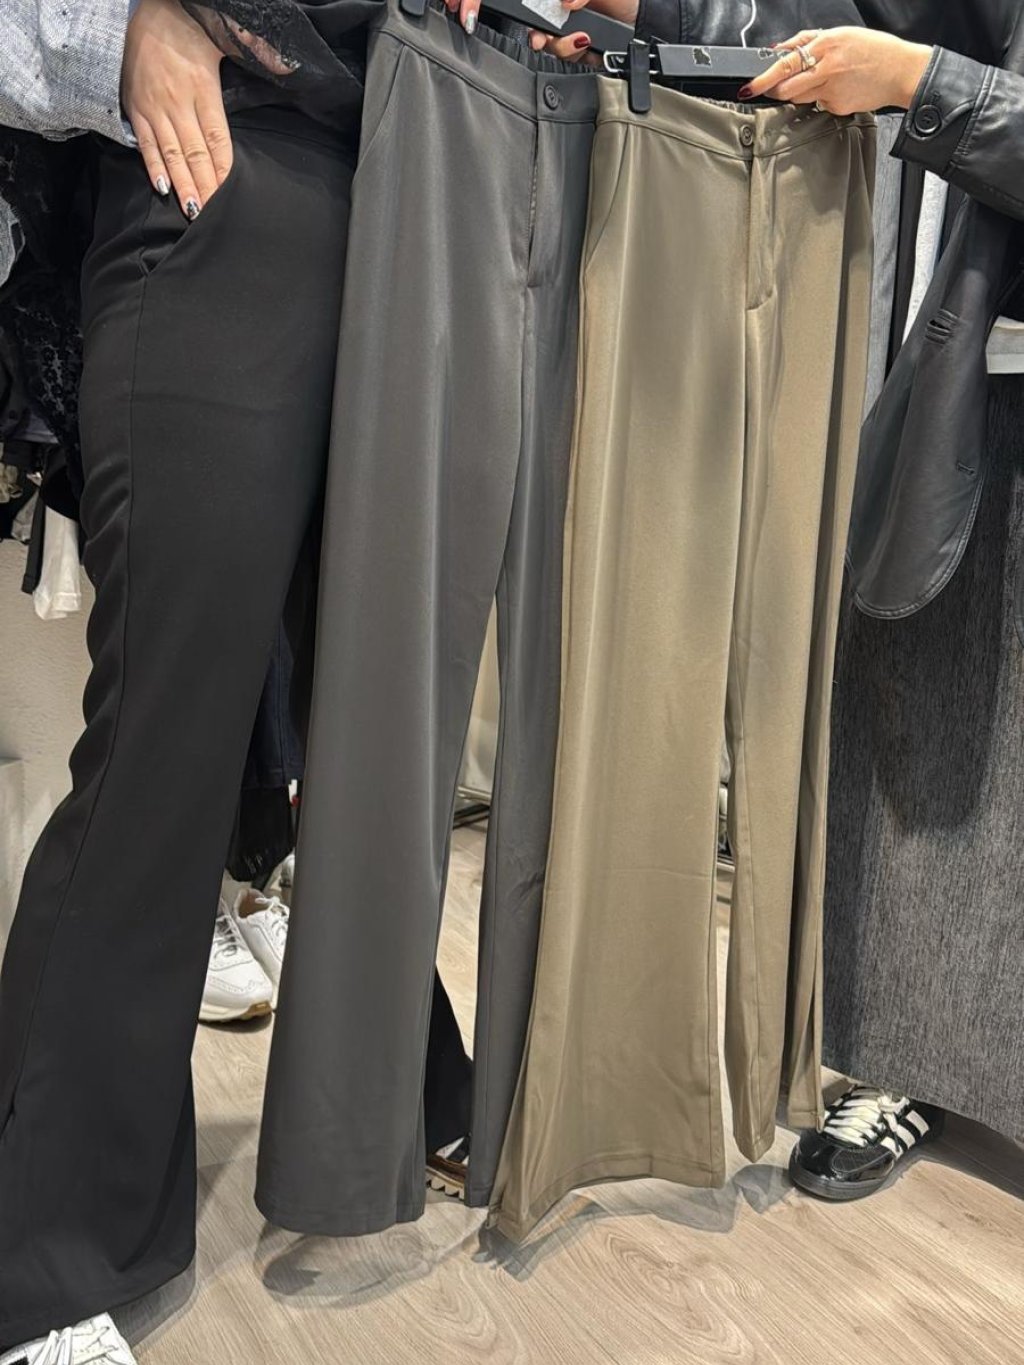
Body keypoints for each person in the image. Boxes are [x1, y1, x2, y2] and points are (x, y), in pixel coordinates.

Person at [0, 2, 470, 1361]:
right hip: (213, 178)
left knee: (371, 717)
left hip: (407, 189)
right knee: (166, 740)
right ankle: (40, 1257)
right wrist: (115, 30)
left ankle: (410, 1095)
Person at [531, 0, 1024, 1203]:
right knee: (929, 732)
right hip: (959, 341)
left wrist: (915, 79)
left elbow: (902, 51)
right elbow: (836, 21)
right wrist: (648, 15)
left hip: (951, 302)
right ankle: (904, 1055)